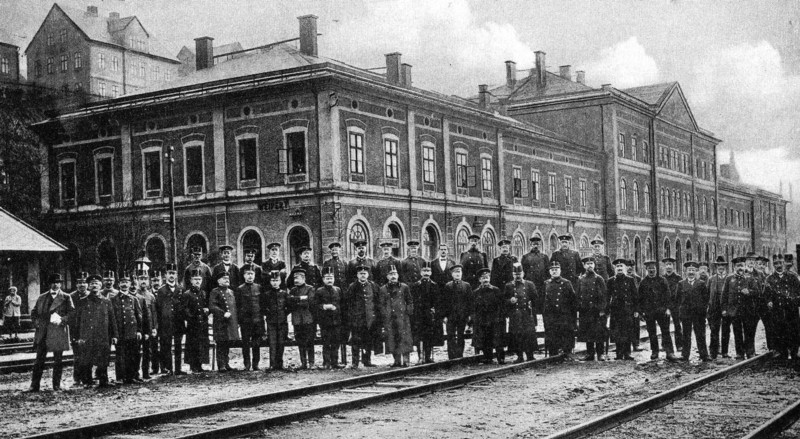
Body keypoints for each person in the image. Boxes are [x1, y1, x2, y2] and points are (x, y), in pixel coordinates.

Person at [28, 274, 74, 392]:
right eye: (53, 282)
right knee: (39, 360)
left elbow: (72, 313)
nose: (55, 284)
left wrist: (62, 320)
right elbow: (33, 313)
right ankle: (34, 385)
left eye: (58, 282)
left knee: (58, 360)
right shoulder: (42, 297)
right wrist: (37, 323)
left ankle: (56, 385)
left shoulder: (66, 297)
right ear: (50, 284)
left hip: (57, 330)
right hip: (43, 331)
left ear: (61, 284)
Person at [72, 274, 117, 388]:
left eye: (96, 283)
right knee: (86, 359)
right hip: (87, 336)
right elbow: (77, 321)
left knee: (103, 359)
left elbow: (112, 319)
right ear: (88, 286)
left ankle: (103, 380)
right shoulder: (82, 302)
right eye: (91, 284)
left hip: (102, 335)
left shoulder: (106, 301)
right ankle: (87, 381)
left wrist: (115, 335)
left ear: (100, 285)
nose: (94, 286)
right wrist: (76, 337)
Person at [638, 260, 677, 362]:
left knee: (666, 332)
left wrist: (668, 308)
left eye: (653, 269)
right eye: (650, 269)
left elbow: (668, 296)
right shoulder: (643, 282)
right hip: (649, 312)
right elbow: (640, 298)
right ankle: (654, 352)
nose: (652, 271)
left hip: (662, 311)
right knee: (652, 333)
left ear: (656, 269)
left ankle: (670, 352)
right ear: (647, 270)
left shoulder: (662, 280)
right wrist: (641, 311)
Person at [721, 256, 759, 359]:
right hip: (734, 311)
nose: (740, 268)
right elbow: (724, 295)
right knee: (737, 332)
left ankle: (750, 351)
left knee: (749, 331)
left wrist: (749, 292)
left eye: (742, 265)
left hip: (748, 310)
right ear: (734, 267)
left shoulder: (750, 278)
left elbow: (757, 292)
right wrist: (724, 309)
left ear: (745, 266)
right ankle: (739, 353)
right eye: (738, 266)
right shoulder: (729, 279)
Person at [764, 254, 800, 363]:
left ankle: (794, 353)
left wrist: (795, 300)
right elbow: (766, 294)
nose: (778, 265)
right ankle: (782, 355)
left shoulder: (792, 277)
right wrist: (769, 301)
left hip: (791, 310)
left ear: (784, 263)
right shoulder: (769, 279)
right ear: (773, 264)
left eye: (780, 263)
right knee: (780, 331)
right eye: (775, 263)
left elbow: (799, 292)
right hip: (778, 310)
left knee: (793, 331)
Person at [344, 265, 381, 368]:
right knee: (356, 341)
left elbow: (377, 302)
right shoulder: (352, 287)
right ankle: (355, 362)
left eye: (364, 273)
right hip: (357, 319)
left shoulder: (373, 286)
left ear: (368, 275)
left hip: (370, 319)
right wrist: (351, 318)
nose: (363, 275)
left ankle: (367, 360)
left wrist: (376, 317)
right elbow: (348, 304)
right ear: (357, 275)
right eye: (360, 274)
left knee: (368, 341)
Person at [112, 272, 143, 384]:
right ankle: (120, 377)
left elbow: (139, 316)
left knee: (133, 355)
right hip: (120, 332)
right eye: (122, 282)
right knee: (120, 355)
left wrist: (139, 330)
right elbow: (113, 318)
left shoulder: (134, 299)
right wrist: (114, 334)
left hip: (132, 331)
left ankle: (132, 376)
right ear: (118, 284)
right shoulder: (114, 299)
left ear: (130, 284)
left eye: (126, 282)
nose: (124, 284)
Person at [380, 265, 414, 367]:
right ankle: (397, 360)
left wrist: (408, 311)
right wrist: (385, 314)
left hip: (403, 318)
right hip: (390, 318)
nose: (393, 276)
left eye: (395, 274)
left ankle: (406, 360)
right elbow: (381, 304)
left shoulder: (404, 287)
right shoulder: (383, 289)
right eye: (391, 274)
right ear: (387, 276)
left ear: (398, 275)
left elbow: (410, 301)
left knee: (405, 338)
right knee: (392, 339)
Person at [676, 262, 710, 362]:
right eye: (689, 270)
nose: (691, 272)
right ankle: (685, 355)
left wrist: (703, 310)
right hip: (686, 314)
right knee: (686, 335)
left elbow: (706, 299)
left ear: (696, 272)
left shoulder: (701, 284)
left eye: (693, 270)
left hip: (698, 314)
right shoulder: (681, 284)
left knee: (700, 334)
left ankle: (704, 355)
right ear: (686, 272)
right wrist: (681, 311)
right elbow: (677, 299)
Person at [543, 261, 578, 358]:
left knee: (566, 332)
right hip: (551, 314)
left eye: (556, 270)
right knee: (552, 333)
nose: (554, 272)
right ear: (550, 272)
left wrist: (572, 315)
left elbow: (573, 299)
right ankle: (553, 353)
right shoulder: (546, 283)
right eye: (552, 270)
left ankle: (567, 352)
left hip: (564, 313)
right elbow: (543, 300)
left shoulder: (566, 283)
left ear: (560, 270)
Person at [575, 257, 608, 361]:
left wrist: (602, 310)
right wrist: (579, 308)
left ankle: (600, 353)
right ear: (584, 266)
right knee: (588, 332)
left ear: (594, 265)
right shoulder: (581, 279)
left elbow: (604, 296)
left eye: (591, 263)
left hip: (597, 311)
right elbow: (578, 294)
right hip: (585, 311)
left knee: (598, 332)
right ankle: (589, 353)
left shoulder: (599, 279)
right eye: (587, 264)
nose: (590, 265)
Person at [505, 263, 538, 362]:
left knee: (529, 335)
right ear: (512, 274)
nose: (517, 276)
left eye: (519, 274)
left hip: (527, 314)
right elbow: (503, 300)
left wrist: (532, 304)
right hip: (515, 315)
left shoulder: (529, 284)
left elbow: (536, 299)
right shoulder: (509, 286)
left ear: (523, 273)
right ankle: (519, 356)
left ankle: (530, 355)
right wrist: (510, 301)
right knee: (517, 335)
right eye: (515, 274)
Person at [155, 263, 185, 375]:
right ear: (165, 275)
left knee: (178, 345)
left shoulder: (180, 289)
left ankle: (178, 368)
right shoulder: (161, 290)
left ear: (176, 275)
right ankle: (167, 368)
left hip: (178, 322)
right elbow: (158, 308)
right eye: (169, 273)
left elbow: (183, 306)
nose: (171, 275)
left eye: (173, 273)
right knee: (165, 345)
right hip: (165, 322)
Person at [323, 242, 348, 367]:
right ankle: (327, 361)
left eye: (336, 250)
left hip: (341, 296)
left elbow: (347, 279)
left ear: (339, 250)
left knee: (340, 329)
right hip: (329, 296)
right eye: (332, 250)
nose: (334, 252)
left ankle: (340, 359)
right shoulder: (327, 264)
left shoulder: (344, 263)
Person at [607, 260, 638, 361]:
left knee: (627, 331)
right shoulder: (611, 280)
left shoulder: (630, 280)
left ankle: (627, 353)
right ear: (615, 269)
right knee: (617, 331)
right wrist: (607, 309)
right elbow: (607, 296)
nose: (619, 268)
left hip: (627, 309)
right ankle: (619, 353)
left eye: (621, 266)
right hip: (615, 309)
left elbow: (635, 296)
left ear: (625, 268)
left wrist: (636, 310)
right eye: (617, 267)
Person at [473, 268, 506, 364]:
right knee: (485, 338)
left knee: (497, 339)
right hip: (482, 319)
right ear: (479, 280)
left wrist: (501, 318)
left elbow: (501, 305)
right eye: (483, 278)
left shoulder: (496, 290)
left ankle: (501, 358)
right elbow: (474, 307)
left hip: (495, 319)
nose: (485, 280)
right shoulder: (476, 292)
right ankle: (488, 357)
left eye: (487, 277)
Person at [235, 264, 265, 371]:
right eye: (248, 274)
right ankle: (247, 364)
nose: (250, 276)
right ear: (244, 276)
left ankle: (256, 363)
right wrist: (239, 320)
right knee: (245, 343)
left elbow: (262, 305)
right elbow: (237, 306)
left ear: (255, 275)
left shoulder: (259, 287)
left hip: (257, 320)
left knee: (256, 343)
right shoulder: (239, 289)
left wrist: (261, 320)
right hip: (245, 321)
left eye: (252, 274)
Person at [209, 271, 240, 372]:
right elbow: (212, 306)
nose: (227, 280)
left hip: (230, 323)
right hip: (220, 322)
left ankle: (226, 363)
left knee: (227, 343)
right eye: (224, 278)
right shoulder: (215, 291)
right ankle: (221, 365)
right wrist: (222, 313)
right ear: (218, 281)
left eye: (228, 278)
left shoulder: (231, 292)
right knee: (221, 343)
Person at [441, 265, 473, 359]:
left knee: (460, 335)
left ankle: (459, 355)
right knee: (450, 335)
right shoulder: (448, 286)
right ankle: (451, 356)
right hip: (451, 315)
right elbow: (445, 302)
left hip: (462, 315)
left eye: (459, 272)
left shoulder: (466, 286)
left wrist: (469, 315)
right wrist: (445, 316)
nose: (458, 274)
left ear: (462, 273)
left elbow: (470, 301)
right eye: (455, 272)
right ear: (452, 274)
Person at [288, 267, 317, 369]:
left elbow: (309, 302)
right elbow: (289, 303)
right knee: (300, 342)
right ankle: (303, 363)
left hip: (308, 319)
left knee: (310, 341)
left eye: (298, 278)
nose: (296, 280)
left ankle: (311, 363)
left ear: (304, 278)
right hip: (297, 320)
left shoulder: (310, 288)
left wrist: (296, 300)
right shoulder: (292, 290)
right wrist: (301, 298)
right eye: (294, 277)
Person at [261, 271, 289, 371]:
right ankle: (272, 364)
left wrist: (284, 314)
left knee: (281, 343)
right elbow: (263, 307)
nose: (275, 283)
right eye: (273, 281)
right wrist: (268, 314)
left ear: (280, 281)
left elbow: (288, 307)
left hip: (282, 322)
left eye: (277, 280)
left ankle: (280, 364)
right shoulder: (266, 294)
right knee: (272, 343)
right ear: (270, 282)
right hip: (271, 322)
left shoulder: (284, 294)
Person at [315, 267, 343, 369]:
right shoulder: (319, 291)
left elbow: (342, 304)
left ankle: (335, 362)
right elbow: (315, 305)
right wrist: (324, 306)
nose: (329, 280)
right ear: (323, 279)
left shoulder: (338, 290)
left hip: (336, 321)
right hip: (325, 321)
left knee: (336, 342)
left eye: (331, 277)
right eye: (327, 278)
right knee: (326, 343)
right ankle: (326, 362)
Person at [183, 269, 210, 373]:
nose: (198, 281)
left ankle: (199, 365)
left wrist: (207, 311)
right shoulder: (187, 294)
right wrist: (191, 318)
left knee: (201, 344)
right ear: (191, 280)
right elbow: (185, 309)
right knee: (193, 344)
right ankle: (193, 365)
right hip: (193, 324)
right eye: (195, 279)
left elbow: (206, 306)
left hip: (202, 324)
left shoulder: (203, 293)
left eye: (199, 279)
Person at [134, 270, 157, 380]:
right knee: (136, 352)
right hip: (137, 328)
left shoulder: (151, 296)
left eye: (145, 279)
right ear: (137, 280)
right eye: (141, 279)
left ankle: (146, 372)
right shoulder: (134, 295)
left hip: (147, 328)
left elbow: (153, 314)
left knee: (148, 351)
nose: (143, 281)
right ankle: (135, 373)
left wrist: (154, 328)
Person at [707, 256, 730, 359]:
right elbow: (707, 294)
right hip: (714, 308)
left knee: (726, 330)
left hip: (726, 308)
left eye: (722, 265)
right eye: (718, 265)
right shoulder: (711, 279)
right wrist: (708, 307)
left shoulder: (729, 278)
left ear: (725, 266)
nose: (721, 267)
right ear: (716, 267)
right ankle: (714, 352)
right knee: (714, 330)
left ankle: (724, 352)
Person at [69, 273, 91, 385]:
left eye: (84, 282)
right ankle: (77, 378)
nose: (82, 285)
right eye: (79, 282)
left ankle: (87, 378)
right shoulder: (71, 297)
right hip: (76, 330)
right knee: (77, 355)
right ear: (76, 284)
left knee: (88, 354)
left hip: (89, 330)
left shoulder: (91, 295)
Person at [521, 236, 549, 312]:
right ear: (530, 245)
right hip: (530, 281)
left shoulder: (544, 257)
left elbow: (547, 271)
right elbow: (524, 270)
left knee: (541, 300)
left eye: (537, 244)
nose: (535, 246)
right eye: (534, 244)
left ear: (540, 245)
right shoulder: (525, 257)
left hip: (541, 282)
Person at [661, 257, 683, 353]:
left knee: (677, 325)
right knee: (664, 326)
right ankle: (665, 345)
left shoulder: (678, 278)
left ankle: (679, 345)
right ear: (664, 266)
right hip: (665, 306)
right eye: (667, 265)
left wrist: (679, 305)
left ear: (673, 266)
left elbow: (681, 293)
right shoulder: (661, 278)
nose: (668, 267)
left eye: (670, 265)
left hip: (676, 306)